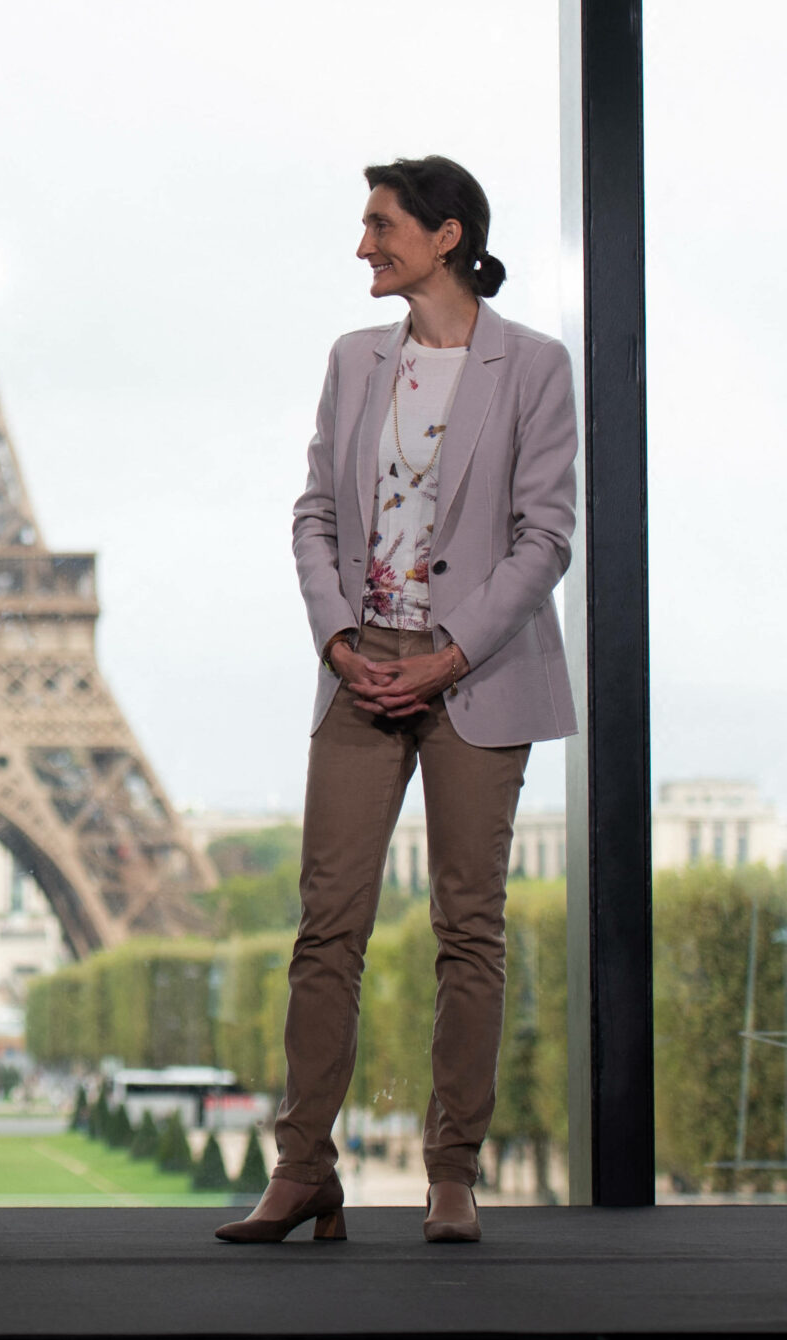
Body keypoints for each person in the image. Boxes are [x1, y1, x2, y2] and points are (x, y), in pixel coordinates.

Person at [218, 157, 577, 1249]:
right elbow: (314, 514)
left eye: (380, 224)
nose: (363, 244)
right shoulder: (352, 361)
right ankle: (302, 1168)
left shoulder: (535, 367)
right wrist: (336, 634)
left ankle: (451, 1171)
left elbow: (543, 537)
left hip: (476, 668)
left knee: (470, 929)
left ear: (444, 234)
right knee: (327, 927)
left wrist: (449, 653)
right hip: (360, 661)